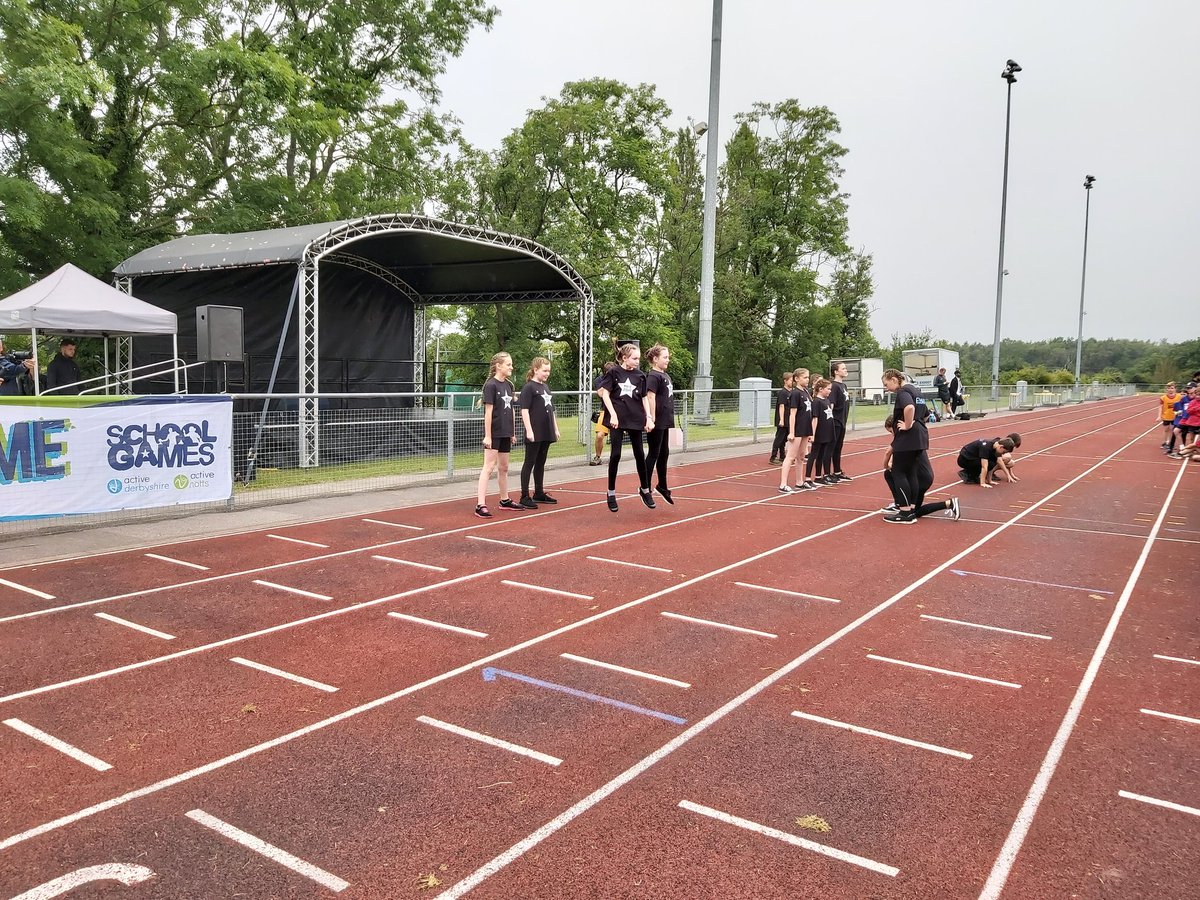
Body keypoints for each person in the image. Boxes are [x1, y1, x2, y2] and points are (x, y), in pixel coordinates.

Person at [597, 343, 654, 512]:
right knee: (616, 454)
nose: (637, 361)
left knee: (639, 453)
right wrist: (613, 414)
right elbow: (605, 393)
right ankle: (611, 492)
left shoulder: (641, 376)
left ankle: (645, 489)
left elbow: (644, 398)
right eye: (634, 358)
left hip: (635, 417)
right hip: (618, 419)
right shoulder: (614, 373)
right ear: (624, 358)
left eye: (638, 358)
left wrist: (648, 417)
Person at [880, 414, 960, 520]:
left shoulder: (903, 439)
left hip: (919, 478)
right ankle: (949, 504)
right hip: (925, 476)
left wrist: (886, 466)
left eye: (891, 432)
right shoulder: (912, 437)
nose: (892, 435)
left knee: (890, 473)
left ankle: (899, 504)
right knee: (914, 513)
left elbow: (889, 452)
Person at [475, 351, 523, 518]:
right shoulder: (491, 385)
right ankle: (480, 504)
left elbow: (510, 411)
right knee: (488, 467)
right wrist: (488, 436)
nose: (511, 367)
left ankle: (505, 499)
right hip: (494, 432)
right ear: (498, 366)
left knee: (504, 468)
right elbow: (488, 412)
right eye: (508, 364)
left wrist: (512, 432)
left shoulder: (509, 386)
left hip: (505, 432)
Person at [881, 367, 932, 523]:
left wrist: (908, 425)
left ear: (894, 380)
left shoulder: (903, 392)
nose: (885, 388)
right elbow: (927, 414)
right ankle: (911, 508)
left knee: (899, 473)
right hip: (920, 436)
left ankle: (904, 512)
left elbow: (909, 407)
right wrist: (916, 424)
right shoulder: (916, 391)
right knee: (910, 473)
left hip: (908, 438)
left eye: (886, 384)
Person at [517, 356, 560, 509]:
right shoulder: (529, 387)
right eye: (544, 370)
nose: (547, 373)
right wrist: (529, 430)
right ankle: (524, 495)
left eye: (548, 371)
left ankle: (539, 492)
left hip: (546, 430)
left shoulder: (545, 387)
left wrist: (555, 428)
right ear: (535, 370)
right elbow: (524, 410)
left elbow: (552, 410)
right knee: (530, 461)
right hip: (535, 430)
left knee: (541, 462)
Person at [644, 344, 675, 505]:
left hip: (665, 420)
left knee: (664, 454)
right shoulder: (653, 376)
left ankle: (662, 485)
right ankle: (645, 486)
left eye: (668, 357)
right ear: (655, 359)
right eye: (665, 357)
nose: (667, 360)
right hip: (657, 421)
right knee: (654, 453)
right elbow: (650, 397)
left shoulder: (664, 375)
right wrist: (652, 418)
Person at [779, 368, 812, 492]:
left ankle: (799, 481)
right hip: (797, 429)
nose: (807, 379)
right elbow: (792, 414)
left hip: (805, 428)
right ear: (796, 379)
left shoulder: (806, 392)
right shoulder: (795, 393)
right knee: (791, 456)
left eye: (808, 377)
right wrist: (792, 432)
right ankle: (783, 484)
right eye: (805, 377)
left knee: (801, 456)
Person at [808, 378, 837, 486]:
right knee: (814, 455)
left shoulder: (827, 400)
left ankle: (818, 476)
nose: (830, 391)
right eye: (828, 389)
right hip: (819, 432)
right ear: (820, 389)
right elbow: (814, 418)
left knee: (822, 454)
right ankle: (807, 478)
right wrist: (813, 434)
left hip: (827, 432)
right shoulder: (816, 402)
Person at [829, 361, 853, 481]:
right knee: (832, 447)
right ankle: (827, 474)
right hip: (835, 421)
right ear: (836, 372)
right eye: (843, 368)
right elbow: (831, 405)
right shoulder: (834, 386)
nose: (845, 370)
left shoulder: (844, 386)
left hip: (842, 421)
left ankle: (837, 471)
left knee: (838, 447)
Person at [590, 361, 616, 465]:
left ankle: (614, 457)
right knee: (600, 435)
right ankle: (598, 456)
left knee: (616, 436)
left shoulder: (620, 378)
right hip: (605, 411)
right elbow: (601, 393)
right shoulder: (599, 380)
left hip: (618, 411)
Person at [768, 371, 794, 465]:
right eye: (791, 380)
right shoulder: (783, 393)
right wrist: (781, 419)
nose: (792, 382)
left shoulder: (791, 392)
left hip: (788, 419)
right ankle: (773, 457)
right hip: (783, 419)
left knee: (784, 439)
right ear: (785, 381)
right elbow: (781, 406)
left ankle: (783, 456)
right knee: (779, 439)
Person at [1159, 382, 1180, 452]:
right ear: (1166, 389)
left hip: (1175, 416)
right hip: (1166, 416)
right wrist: (1159, 416)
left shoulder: (1179, 397)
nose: (1170, 390)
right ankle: (1165, 442)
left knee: (1172, 430)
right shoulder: (1163, 398)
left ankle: (1170, 442)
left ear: (1175, 389)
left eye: (1172, 388)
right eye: (1168, 388)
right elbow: (1160, 407)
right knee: (1166, 429)